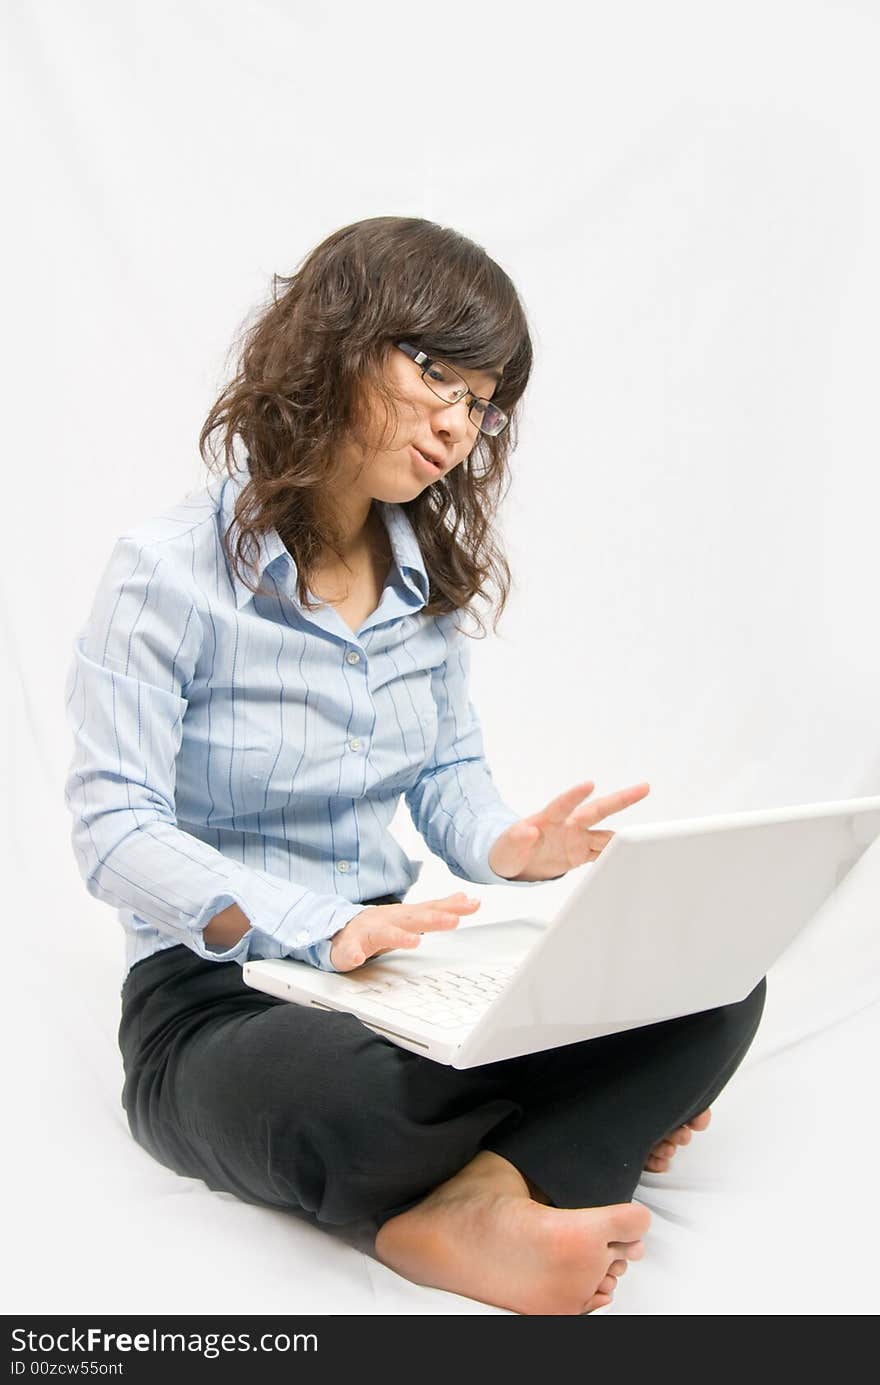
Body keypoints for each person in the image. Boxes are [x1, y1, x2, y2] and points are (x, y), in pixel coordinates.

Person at [63, 215, 765, 1316]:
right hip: (221, 1000)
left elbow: (448, 778)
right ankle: (579, 1135)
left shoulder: (419, 589)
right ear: (334, 341)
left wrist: (507, 842)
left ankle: (475, 1198)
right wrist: (317, 921)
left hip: (397, 982)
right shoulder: (165, 573)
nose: (457, 423)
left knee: (712, 979)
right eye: (436, 372)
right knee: (355, 1100)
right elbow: (112, 830)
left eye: (482, 403)